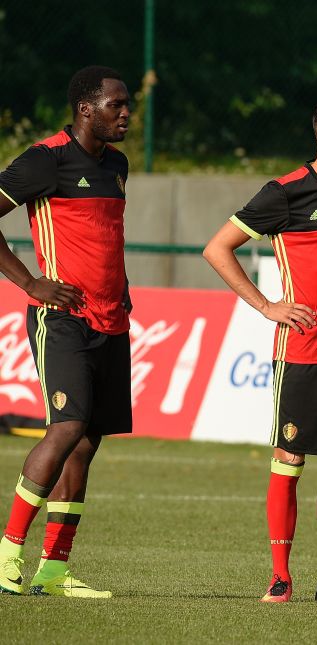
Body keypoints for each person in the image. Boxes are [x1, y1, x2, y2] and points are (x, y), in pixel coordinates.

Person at [203, 98, 317, 605]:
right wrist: (266, 305)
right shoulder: (284, 193)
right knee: (289, 459)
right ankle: (280, 579)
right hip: (304, 352)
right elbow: (217, 249)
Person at [0, 66, 132, 598]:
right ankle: (8, 553)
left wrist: (120, 288)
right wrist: (30, 281)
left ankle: (54, 569)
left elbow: (102, 236)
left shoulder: (118, 166)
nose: (126, 115)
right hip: (62, 320)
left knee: (85, 442)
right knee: (65, 426)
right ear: (85, 108)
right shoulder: (45, 160)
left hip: (112, 319)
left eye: (128, 107)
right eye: (116, 105)